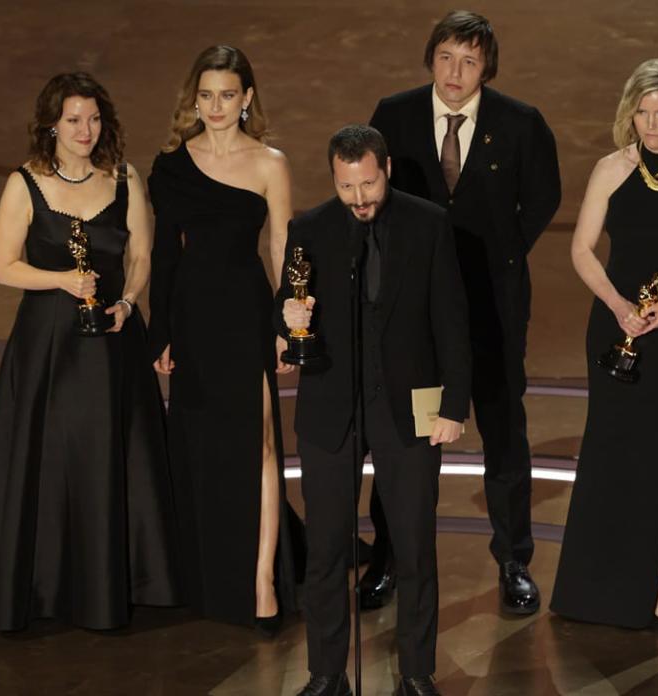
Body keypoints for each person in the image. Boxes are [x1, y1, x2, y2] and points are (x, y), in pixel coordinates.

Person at [0, 72, 181, 630]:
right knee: (50, 458)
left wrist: (129, 304)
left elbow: (141, 257)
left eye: (93, 118)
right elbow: (3, 267)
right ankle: (45, 588)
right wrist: (63, 280)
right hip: (49, 348)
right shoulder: (25, 183)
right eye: (73, 120)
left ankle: (123, 584)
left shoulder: (125, 178)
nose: (85, 130)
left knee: (114, 455)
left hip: (112, 343)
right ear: (51, 125)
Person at [365, 9, 561, 615]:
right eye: (447, 57)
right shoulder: (393, 117)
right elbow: (374, 193)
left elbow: (544, 197)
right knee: (406, 439)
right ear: (431, 58)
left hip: (494, 310)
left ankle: (513, 559)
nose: (456, 72)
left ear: (486, 68)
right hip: (415, 315)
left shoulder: (520, 123)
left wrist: (498, 259)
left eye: (470, 61)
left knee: (504, 433)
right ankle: (389, 554)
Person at [280, 125, 470, 696]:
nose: (359, 199)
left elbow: (452, 323)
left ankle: (415, 671)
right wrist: (287, 323)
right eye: (346, 187)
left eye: (367, 184)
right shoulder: (308, 230)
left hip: (410, 407)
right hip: (331, 408)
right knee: (327, 550)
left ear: (385, 169)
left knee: (414, 545)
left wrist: (454, 406)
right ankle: (326, 673)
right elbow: (284, 310)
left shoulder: (427, 224)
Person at [550, 59, 658, 631]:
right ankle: (606, 594)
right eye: (643, 113)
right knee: (615, 451)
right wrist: (620, 307)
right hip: (617, 328)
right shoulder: (611, 169)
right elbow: (581, 250)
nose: (651, 126)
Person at [147, 45, 303, 632]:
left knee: (259, 445)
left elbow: (284, 246)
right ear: (195, 97)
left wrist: (288, 324)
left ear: (248, 99)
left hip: (245, 314)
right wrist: (160, 330)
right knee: (201, 446)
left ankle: (262, 580)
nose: (216, 106)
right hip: (191, 316)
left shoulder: (269, 163)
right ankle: (206, 573)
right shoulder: (171, 165)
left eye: (228, 95)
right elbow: (164, 254)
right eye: (206, 95)